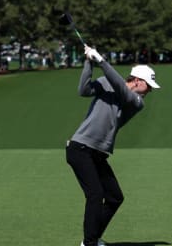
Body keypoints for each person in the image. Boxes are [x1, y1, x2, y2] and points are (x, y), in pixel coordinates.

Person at [66, 45, 161, 246]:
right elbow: (83, 90)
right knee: (95, 194)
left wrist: (101, 60)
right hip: (80, 148)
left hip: (98, 154)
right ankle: (89, 243)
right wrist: (89, 63)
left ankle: (92, 237)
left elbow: (121, 89)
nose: (151, 90)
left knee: (114, 197)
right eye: (149, 85)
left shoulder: (136, 101)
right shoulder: (105, 83)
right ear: (137, 80)